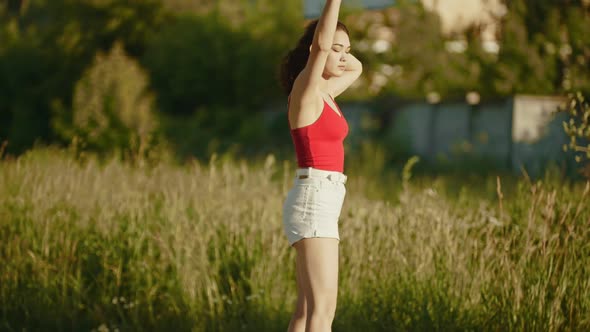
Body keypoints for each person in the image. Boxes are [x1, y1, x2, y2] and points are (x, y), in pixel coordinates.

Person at [279, 1, 363, 331]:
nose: (344, 57)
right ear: (316, 51)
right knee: (322, 312)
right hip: (314, 200)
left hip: (320, 200)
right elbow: (321, 45)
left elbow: (356, 67)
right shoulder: (307, 91)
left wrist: (338, 49)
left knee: (306, 311)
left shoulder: (326, 93)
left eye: (347, 49)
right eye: (336, 49)